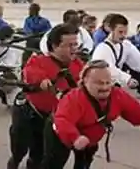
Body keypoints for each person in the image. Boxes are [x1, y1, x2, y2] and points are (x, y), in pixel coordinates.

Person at [42, 60, 140, 169]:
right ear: (85, 81)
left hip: (90, 136)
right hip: (60, 132)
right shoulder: (74, 99)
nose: (105, 87)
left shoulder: (117, 95)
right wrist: (74, 137)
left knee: (84, 163)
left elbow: (137, 111)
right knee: (54, 163)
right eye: (99, 83)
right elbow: (63, 120)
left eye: (108, 82)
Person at [8, 24, 84, 169]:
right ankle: (14, 163)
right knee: (20, 150)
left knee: (48, 158)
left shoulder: (78, 65)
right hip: (32, 115)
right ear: (55, 46)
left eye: (76, 44)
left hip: (56, 119)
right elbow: (31, 73)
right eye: (69, 45)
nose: (74, 49)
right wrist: (42, 81)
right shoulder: (38, 61)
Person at [91, 14, 140, 93]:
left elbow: (137, 59)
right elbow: (108, 70)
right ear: (111, 30)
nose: (123, 35)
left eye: (125, 32)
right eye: (120, 32)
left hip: (113, 85)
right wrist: (127, 79)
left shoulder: (125, 45)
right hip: (99, 87)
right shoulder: (102, 49)